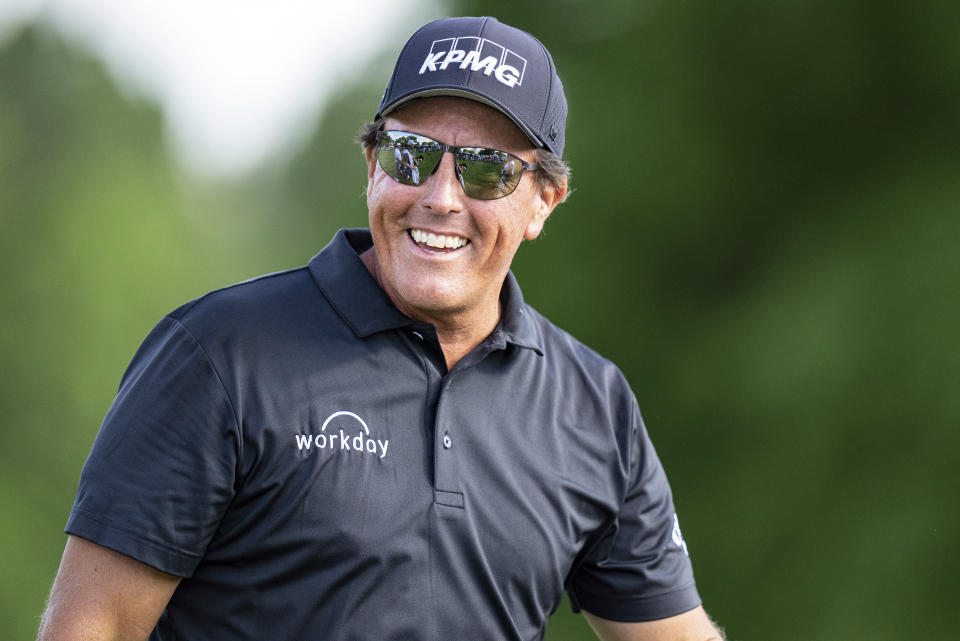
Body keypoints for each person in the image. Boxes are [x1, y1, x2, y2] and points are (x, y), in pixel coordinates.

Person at [36, 16, 726, 641]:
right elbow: (90, 629)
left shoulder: (593, 407)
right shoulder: (220, 354)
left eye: (486, 171)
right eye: (412, 154)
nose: (440, 197)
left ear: (543, 200)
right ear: (372, 166)